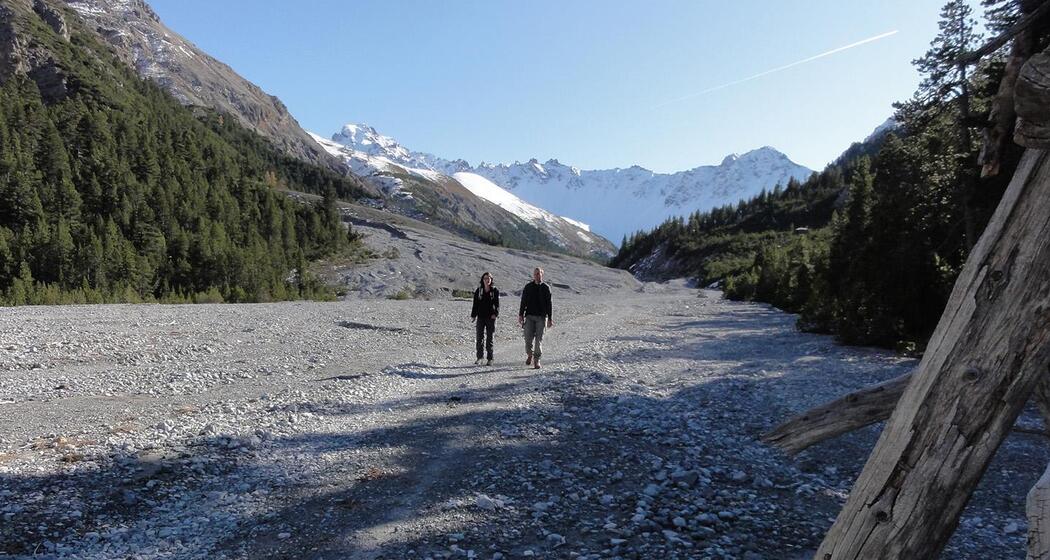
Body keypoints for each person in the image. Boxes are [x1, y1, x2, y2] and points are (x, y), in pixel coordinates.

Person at [518, 267, 553, 369]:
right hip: (529, 316)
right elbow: (523, 301)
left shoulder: (546, 288)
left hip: (541, 317)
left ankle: (537, 359)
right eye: (535, 274)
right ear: (533, 275)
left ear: (542, 274)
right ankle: (530, 354)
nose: (537, 275)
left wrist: (550, 318)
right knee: (528, 338)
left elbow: (549, 304)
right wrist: (520, 315)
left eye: (539, 273)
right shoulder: (528, 287)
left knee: (539, 339)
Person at [470, 272, 499, 365]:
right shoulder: (479, 291)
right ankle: (480, 357)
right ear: (482, 280)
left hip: (491, 317)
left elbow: (497, 304)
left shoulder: (494, 291)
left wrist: (495, 314)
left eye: (489, 278)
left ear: (491, 280)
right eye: (485, 278)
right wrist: (473, 315)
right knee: (479, 338)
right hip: (481, 317)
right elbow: (475, 304)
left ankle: (490, 358)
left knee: (490, 338)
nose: (487, 280)